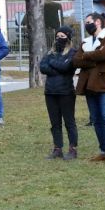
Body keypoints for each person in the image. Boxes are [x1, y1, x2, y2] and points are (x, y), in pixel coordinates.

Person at [73, 13, 105, 164]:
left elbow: (104, 55)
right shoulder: (85, 41)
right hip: (89, 85)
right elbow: (76, 61)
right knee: (97, 120)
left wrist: (86, 56)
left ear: (98, 22)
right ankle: (104, 150)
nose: (86, 25)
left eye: (88, 22)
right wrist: (93, 58)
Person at [40, 26, 79, 160]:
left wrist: (52, 64)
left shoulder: (73, 52)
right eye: (57, 36)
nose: (59, 39)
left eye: (62, 36)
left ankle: (73, 149)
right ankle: (57, 148)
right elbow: (42, 67)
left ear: (68, 38)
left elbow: (67, 67)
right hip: (50, 92)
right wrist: (57, 67)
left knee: (69, 121)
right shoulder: (50, 52)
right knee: (55, 123)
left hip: (66, 92)